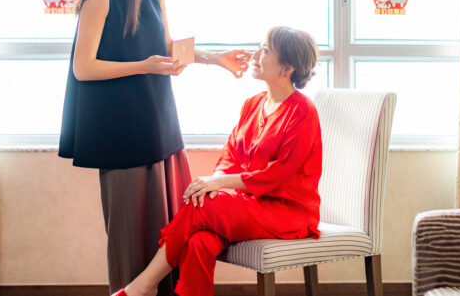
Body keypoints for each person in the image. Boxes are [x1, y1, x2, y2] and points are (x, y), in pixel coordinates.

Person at [58, 0, 250, 296]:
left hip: (159, 121)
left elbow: (165, 47)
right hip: (121, 131)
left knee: (171, 226)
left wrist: (215, 58)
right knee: (130, 236)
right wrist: (142, 66)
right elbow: (84, 68)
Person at [111, 26, 321, 296]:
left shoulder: (303, 111)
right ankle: (149, 288)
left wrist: (218, 183)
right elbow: (230, 156)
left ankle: (142, 286)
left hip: (287, 213)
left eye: (266, 50)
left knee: (203, 204)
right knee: (199, 240)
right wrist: (214, 183)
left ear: (288, 67)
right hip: (249, 204)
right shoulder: (252, 104)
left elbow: (278, 175)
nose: (256, 54)